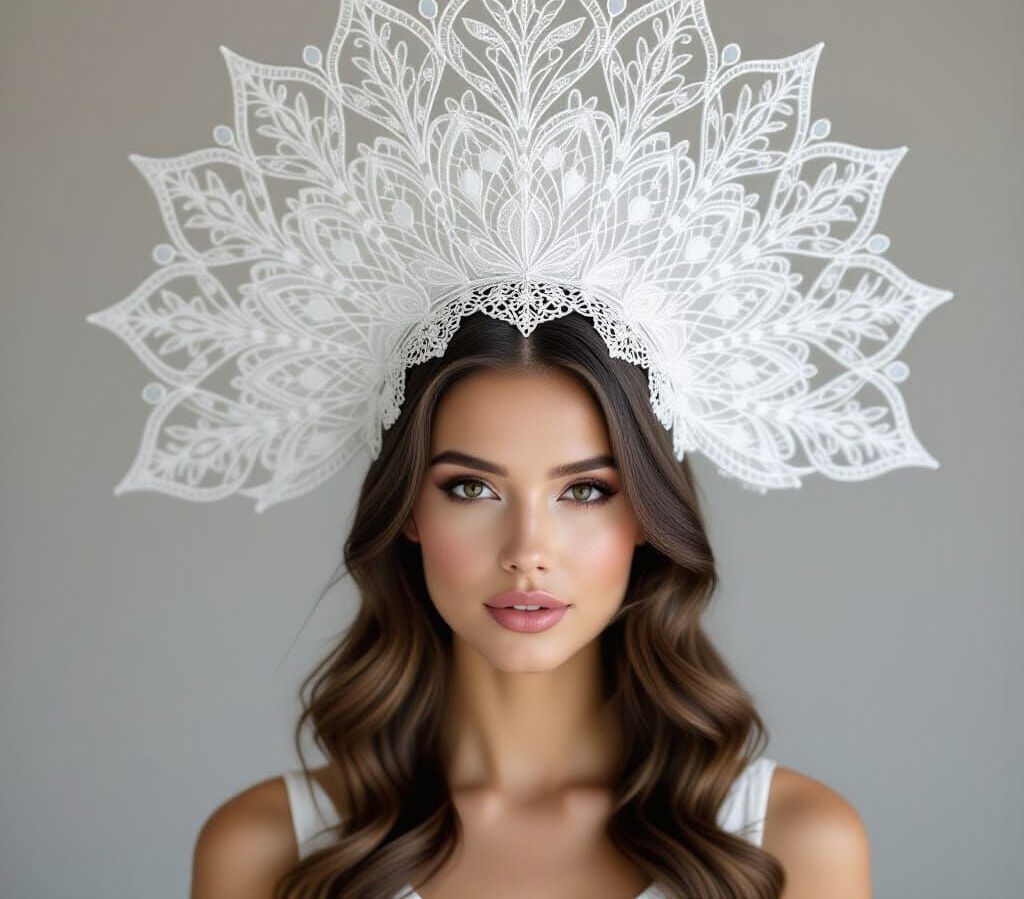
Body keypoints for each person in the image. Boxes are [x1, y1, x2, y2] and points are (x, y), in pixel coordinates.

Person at [190, 311, 872, 899]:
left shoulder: (793, 840)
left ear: (646, 516)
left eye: (585, 491)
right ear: (408, 512)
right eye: (470, 489)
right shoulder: (265, 847)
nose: (527, 550)